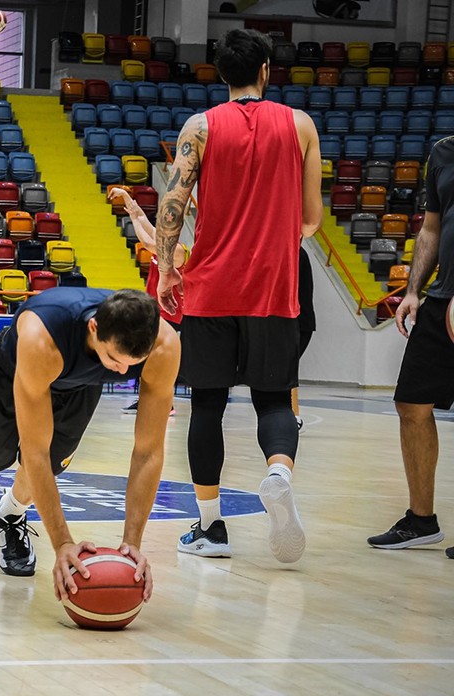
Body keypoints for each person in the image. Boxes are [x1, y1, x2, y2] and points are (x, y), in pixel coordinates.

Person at [0, 289, 179, 604]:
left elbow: (148, 451)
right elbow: (33, 448)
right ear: (94, 328)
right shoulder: (42, 335)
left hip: (78, 386)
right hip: (10, 373)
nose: (120, 372)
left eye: (130, 366)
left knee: (49, 467)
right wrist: (63, 544)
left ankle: (9, 513)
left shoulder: (164, 346)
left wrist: (132, 544)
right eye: (114, 361)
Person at [155, 29, 322, 563]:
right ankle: (277, 473)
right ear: (267, 71)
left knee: (207, 403)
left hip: (211, 289)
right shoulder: (300, 126)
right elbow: (312, 220)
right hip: (274, 288)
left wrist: (165, 268)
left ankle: (210, 528)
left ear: (220, 74)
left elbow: (173, 204)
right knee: (274, 399)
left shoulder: (199, 128)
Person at [367, 135, 454, 558]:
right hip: (441, 300)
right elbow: (432, 227)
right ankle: (421, 521)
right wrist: (414, 290)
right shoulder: (443, 153)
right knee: (411, 404)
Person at [108, 185, 186, 415]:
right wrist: (127, 199)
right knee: (148, 356)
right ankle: (150, 401)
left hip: (172, 313)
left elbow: (147, 243)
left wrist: (133, 216)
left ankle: (165, 404)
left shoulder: (178, 250)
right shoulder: (162, 241)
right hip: (156, 310)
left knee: (157, 359)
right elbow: (142, 217)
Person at [292, 245, 316, 432]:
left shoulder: (296, 253)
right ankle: (291, 415)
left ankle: (294, 416)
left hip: (298, 322)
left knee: (286, 371)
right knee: (285, 370)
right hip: (298, 322)